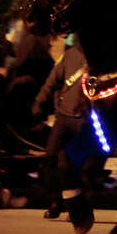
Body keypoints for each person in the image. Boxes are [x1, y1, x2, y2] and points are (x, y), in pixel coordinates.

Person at [31, 36, 89, 220]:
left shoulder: (103, 58)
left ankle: (74, 204)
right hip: (65, 116)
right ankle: (56, 200)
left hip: (87, 118)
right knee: (51, 159)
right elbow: (53, 80)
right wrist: (39, 101)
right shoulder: (70, 55)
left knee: (79, 165)